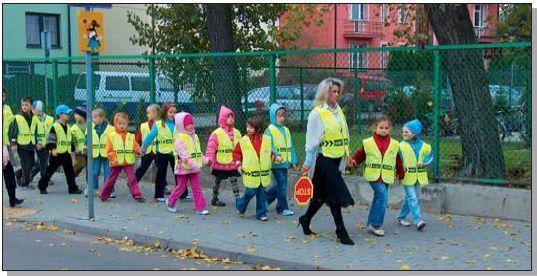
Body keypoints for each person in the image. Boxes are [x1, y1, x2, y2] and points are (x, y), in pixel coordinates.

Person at [298, 78, 355, 245]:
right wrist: (307, 163)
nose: (336, 95)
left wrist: (348, 156)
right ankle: (340, 231)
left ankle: (305, 219)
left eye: (338, 92)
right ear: (325, 93)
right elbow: (311, 141)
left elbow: (344, 136)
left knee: (320, 196)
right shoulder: (317, 113)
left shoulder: (339, 111)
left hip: (337, 158)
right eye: (333, 91)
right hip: (324, 160)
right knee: (335, 195)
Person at [350, 115, 404, 237]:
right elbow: (360, 155)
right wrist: (354, 162)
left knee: (378, 198)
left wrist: (401, 173)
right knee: (383, 198)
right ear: (375, 128)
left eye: (386, 128)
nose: (384, 130)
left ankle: (370, 223)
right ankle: (375, 225)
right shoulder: (368, 142)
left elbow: (398, 160)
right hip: (373, 176)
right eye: (381, 127)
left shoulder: (395, 144)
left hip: (387, 176)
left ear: (390, 129)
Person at [233, 117, 282, 221]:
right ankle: (241, 206)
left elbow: (268, 152)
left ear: (259, 128)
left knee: (261, 194)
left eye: (251, 127)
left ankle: (261, 213)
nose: (248, 129)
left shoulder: (266, 140)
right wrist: (238, 164)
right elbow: (236, 153)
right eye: (247, 127)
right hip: (251, 174)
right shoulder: (243, 140)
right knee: (250, 192)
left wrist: (275, 157)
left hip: (263, 174)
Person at [141, 103, 189, 201]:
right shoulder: (158, 124)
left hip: (175, 153)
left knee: (179, 173)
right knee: (161, 174)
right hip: (162, 153)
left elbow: (183, 137)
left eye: (175, 112)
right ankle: (159, 195)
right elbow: (150, 137)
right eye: (170, 112)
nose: (173, 114)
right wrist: (144, 148)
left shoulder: (177, 124)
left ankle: (183, 193)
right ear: (165, 112)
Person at [166, 112, 209, 215]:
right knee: (181, 187)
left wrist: (205, 160)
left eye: (192, 123)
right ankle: (171, 202)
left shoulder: (195, 137)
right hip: (183, 168)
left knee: (197, 188)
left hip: (194, 167)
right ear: (181, 125)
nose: (191, 125)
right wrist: (194, 164)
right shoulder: (179, 139)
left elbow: (198, 152)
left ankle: (200, 208)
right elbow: (184, 155)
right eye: (188, 123)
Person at [397, 119, 433, 231]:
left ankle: (401, 217)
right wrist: (398, 173)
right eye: (403, 131)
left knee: (411, 198)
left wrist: (424, 163)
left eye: (407, 132)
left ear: (415, 133)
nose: (404, 134)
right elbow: (397, 160)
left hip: (419, 177)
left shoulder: (426, 146)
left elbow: (430, 157)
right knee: (413, 198)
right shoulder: (400, 146)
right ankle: (418, 220)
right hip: (407, 177)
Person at [100, 113, 145, 202]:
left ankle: (137, 196)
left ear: (127, 124)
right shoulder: (111, 136)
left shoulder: (130, 136)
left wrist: (139, 151)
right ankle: (104, 195)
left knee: (132, 178)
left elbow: (135, 146)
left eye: (124, 123)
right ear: (115, 124)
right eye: (119, 123)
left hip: (128, 162)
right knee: (111, 179)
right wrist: (113, 157)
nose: (122, 126)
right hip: (116, 162)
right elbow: (109, 149)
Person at [38, 104, 83, 194]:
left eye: (68, 113)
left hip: (66, 153)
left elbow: (69, 140)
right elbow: (50, 139)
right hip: (57, 154)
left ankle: (72, 188)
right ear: (60, 115)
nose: (68, 115)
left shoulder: (68, 127)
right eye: (66, 114)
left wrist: (74, 149)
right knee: (49, 171)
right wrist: (53, 149)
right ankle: (42, 186)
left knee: (69, 172)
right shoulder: (55, 126)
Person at [264, 103, 298, 216]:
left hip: (285, 163)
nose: (282, 118)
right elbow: (269, 146)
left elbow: (291, 146)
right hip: (276, 163)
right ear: (273, 116)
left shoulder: (286, 130)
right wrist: (277, 155)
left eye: (283, 115)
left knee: (280, 185)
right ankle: (282, 208)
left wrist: (293, 160)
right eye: (279, 115)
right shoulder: (269, 130)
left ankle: (265, 201)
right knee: (282, 185)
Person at [205, 105, 242, 206]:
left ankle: (238, 199)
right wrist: (210, 159)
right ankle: (215, 197)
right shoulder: (216, 133)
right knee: (217, 181)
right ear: (222, 118)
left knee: (234, 180)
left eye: (232, 116)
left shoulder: (237, 132)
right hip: (220, 163)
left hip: (233, 163)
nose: (231, 119)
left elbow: (241, 146)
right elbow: (211, 148)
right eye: (228, 116)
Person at [9, 96, 38, 189]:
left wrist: (37, 141)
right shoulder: (17, 117)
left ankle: (18, 174)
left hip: (31, 144)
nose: (24, 107)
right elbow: (14, 130)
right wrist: (13, 143)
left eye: (26, 105)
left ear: (31, 106)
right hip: (21, 145)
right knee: (27, 164)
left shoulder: (34, 117)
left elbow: (35, 129)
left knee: (32, 162)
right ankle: (25, 183)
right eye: (22, 105)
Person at [87, 108, 114, 197]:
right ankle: (92, 188)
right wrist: (85, 147)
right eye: (92, 117)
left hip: (108, 154)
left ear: (102, 117)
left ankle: (108, 190)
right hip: (95, 154)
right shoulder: (90, 127)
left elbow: (115, 140)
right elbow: (87, 138)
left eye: (95, 117)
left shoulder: (111, 129)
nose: (93, 119)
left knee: (108, 172)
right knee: (94, 172)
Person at [135, 104, 160, 182]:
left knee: (161, 168)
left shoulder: (162, 125)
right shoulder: (144, 125)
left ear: (156, 114)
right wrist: (137, 147)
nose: (147, 115)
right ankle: (133, 182)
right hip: (146, 151)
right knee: (143, 167)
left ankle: (163, 187)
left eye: (148, 113)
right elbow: (138, 137)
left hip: (158, 151)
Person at [30, 100, 54, 184]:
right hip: (39, 145)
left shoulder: (50, 119)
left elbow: (52, 133)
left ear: (39, 110)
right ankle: (44, 179)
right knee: (43, 161)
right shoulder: (34, 119)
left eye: (33, 109)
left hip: (47, 144)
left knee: (41, 162)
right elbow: (32, 132)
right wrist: (36, 143)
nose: (31, 110)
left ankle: (29, 175)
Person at [71, 107, 88, 177]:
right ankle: (71, 177)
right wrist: (75, 149)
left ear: (82, 116)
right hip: (79, 152)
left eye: (76, 114)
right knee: (78, 166)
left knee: (89, 168)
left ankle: (89, 184)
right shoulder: (73, 128)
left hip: (89, 151)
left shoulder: (90, 126)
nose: (74, 116)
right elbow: (72, 140)